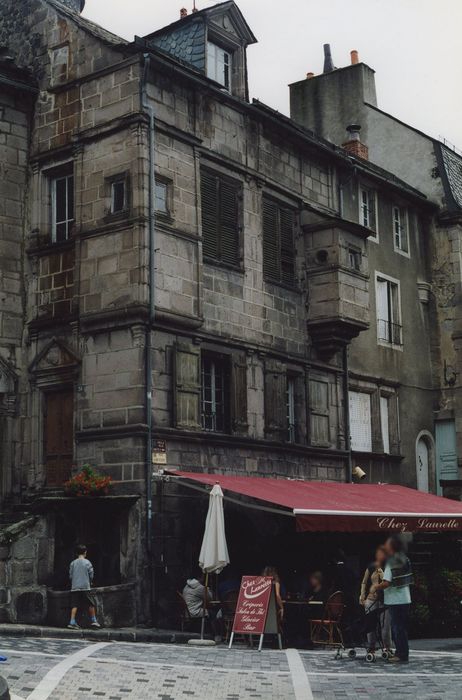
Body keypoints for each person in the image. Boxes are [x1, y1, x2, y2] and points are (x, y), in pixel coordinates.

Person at [372, 536, 413, 663]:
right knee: (401, 628)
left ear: (391, 547)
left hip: (395, 600)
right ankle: (403, 653)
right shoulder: (404, 558)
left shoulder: (391, 562)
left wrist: (375, 587)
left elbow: (387, 582)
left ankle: (400, 655)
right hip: (405, 598)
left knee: (396, 628)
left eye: (387, 544)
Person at [359, 545, 392, 653]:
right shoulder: (371, 566)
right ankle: (371, 646)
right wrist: (362, 595)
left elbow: (387, 583)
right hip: (371, 598)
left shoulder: (388, 567)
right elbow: (364, 582)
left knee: (385, 625)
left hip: (384, 599)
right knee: (370, 623)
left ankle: (387, 647)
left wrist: (381, 574)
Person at [68, 544, 100, 630]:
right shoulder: (87, 562)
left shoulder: (73, 563)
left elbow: (70, 575)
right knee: (91, 604)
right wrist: (90, 581)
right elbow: (91, 574)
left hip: (75, 587)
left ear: (76, 553)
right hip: (85, 586)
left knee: (74, 605)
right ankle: (94, 620)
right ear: (85, 552)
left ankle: (72, 622)